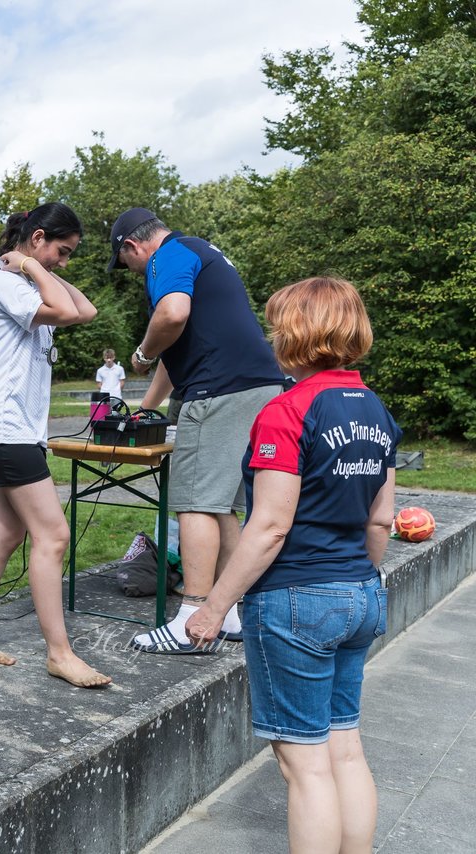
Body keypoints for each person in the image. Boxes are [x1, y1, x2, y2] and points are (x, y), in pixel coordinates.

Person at [186, 277, 397, 853]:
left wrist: (213, 607)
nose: (272, 334)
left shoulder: (287, 411)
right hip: (359, 591)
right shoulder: (375, 409)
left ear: (297, 334)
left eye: (278, 325)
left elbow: (270, 526)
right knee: (345, 748)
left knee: (305, 767)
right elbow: (380, 520)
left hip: (297, 601)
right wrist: (360, 579)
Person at [107, 207, 285, 654]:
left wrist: (142, 354)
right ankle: (231, 614)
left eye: (125, 263)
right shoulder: (203, 252)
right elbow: (180, 345)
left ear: (132, 246)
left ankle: (192, 617)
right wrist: (145, 409)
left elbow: (171, 315)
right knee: (222, 503)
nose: (131, 271)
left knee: (194, 503)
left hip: (218, 389)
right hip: (256, 385)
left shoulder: (166, 255)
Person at [0, 203, 110, 688]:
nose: (63, 262)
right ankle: (59, 654)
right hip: (4, 427)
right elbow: (63, 309)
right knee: (54, 535)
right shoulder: (2, 281)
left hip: (14, 429)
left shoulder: (23, 279)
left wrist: (37, 265)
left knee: (4, 535)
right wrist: (31, 265)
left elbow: (85, 310)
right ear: (37, 237)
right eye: (62, 251)